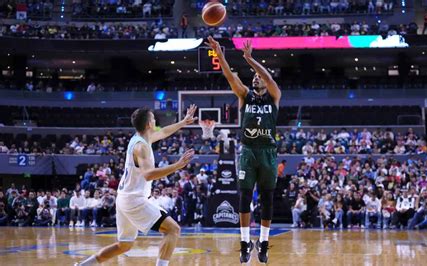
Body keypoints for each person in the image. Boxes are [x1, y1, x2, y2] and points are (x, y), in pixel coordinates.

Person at [75, 105, 197, 266]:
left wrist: (183, 122)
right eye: (153, 118)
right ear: (148, 124)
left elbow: (164, 132)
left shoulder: (141, 138)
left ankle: (83, 265)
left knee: (124, 245)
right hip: (134, 200)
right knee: (173, 230)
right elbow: (148, 174)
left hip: (125, 198)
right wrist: (177, 165)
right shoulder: (141, 147)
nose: (155, 121)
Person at [206, 36, 281, 264]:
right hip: (248, 152)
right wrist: (220, 55)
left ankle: (264, 243)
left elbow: (267, 76)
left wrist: (250, 59)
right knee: (245, 197)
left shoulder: (275, 96)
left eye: (260, 76)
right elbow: (229, 76)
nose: (257, 77)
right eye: (254, 76)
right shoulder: (244, 96)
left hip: (268, 153)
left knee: (267, 198)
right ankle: (245, 243)